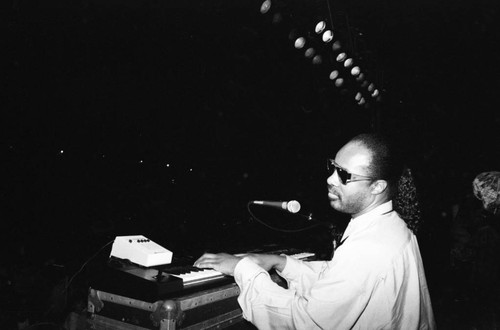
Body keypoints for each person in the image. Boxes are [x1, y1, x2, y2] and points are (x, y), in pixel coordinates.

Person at [194, 133, 436, 329]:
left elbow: (303, 322)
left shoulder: (369, 247)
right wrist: (281, 262)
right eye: (333, 167)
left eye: (343, 175)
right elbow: (338, 283)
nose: (331, 179)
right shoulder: (391, 226)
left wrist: (241, 269)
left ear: (377, 187)